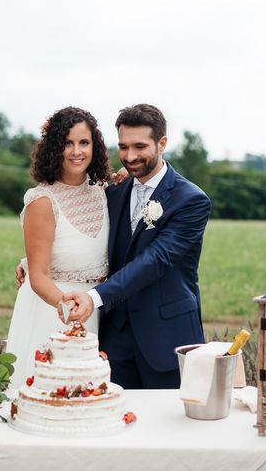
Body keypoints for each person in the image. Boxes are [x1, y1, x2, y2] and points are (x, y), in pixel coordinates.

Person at [63, 104, 212, 389]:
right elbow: (89, 238)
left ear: (162, 143)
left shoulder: (191, 200)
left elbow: (156, 260)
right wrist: (33, 263)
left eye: (140, 146)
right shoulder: (114, 192)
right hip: (115, 338)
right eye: (123, 147)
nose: (130, 156)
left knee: (169, 428)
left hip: (167, 336)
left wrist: (94, 298)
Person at [6, 106, 111, 389]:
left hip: (97, 307)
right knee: (51, 397)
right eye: (67, 143)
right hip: (55, 312)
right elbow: (38, 275)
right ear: (54, 147)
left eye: (84, 142)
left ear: (95, 146)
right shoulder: (42, 201)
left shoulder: (105, 190)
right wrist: (68, 308)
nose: (77, 151)